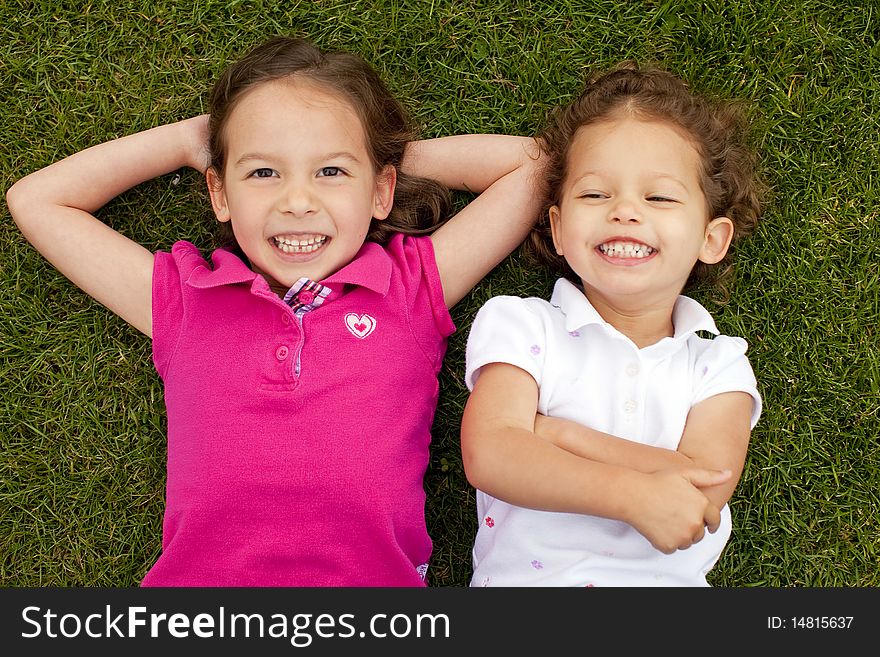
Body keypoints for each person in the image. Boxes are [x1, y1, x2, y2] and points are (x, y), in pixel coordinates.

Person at [6, 36, 544, 586]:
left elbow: (534, 165)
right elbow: (38, 201)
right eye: (263, 173)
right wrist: (188, 142)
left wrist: (376, 153)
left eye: (330, 173)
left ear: (383, 192)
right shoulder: (188, 298)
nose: (297, 200)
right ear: (220, 193)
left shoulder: (407, 289)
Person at [460, 62, 763, 586]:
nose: (624, 210)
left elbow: (701, 492)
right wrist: (631, 493)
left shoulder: (719, 367)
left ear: (711, 239)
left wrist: (558, 434)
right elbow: (490, 453)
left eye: (660, 197)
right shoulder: (523, 326)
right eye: (595, 195)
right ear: (558, 228)